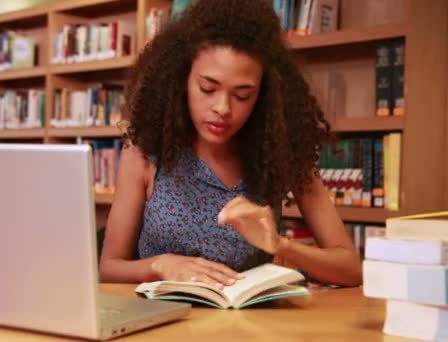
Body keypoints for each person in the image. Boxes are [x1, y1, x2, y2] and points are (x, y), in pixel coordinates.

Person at [99, 0, 362, 288]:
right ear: (181, 79)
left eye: (242, 95)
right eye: (208, 89)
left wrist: (280, 245)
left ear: (263, 96)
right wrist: (160, 265)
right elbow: (109, 269)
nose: (223, 108)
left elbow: (350, 269)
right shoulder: (144, 151)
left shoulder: (280, 151)